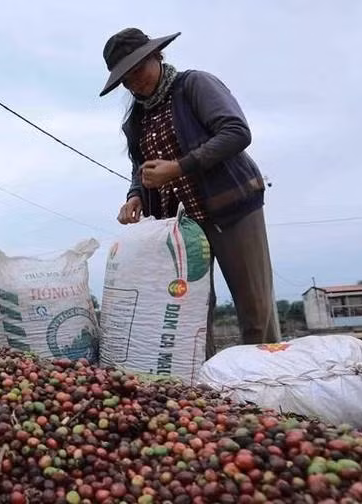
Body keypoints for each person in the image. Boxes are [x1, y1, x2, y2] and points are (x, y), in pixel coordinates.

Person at [99, 27, 281, 357]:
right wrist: (135, 195)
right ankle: (209, 390)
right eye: (125, 78)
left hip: (232, 209)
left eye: (138, 69)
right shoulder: (135, 120)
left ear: (157, 56)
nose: (134, 81)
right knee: (192, 312)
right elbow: (140, 167)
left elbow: (237, 132)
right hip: (183, 228)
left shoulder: (194, 86)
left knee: (254, 307)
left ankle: (265, 388)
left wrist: (179, 167)